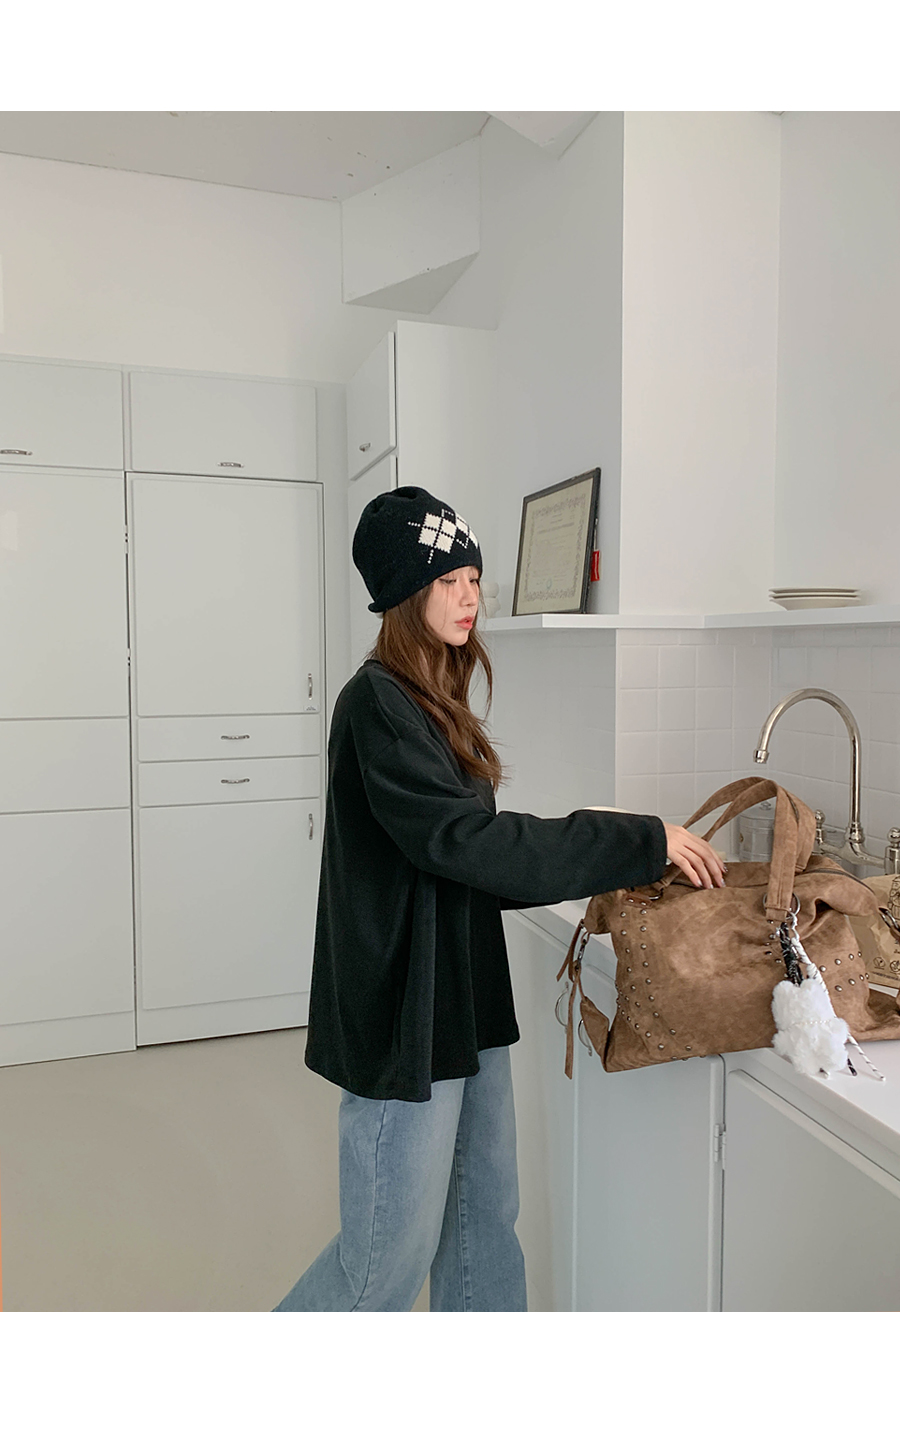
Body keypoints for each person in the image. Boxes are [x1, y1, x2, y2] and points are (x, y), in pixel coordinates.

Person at [273, 486, 725, 1314]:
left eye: (475, 577)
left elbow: (463, 861)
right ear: (404, 591)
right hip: (404, 1018)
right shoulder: (376, 704)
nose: (469, 596)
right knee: (379, 1268)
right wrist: (635, 839)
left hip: (463, 1006)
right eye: (448, 579)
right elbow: (467, 843)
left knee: (484, 1228)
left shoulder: (430, 699)